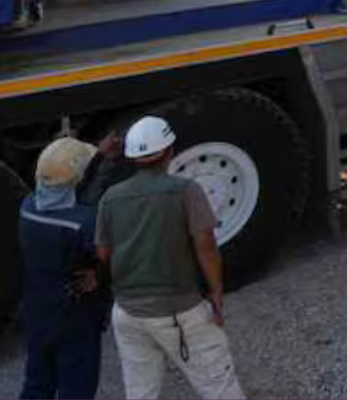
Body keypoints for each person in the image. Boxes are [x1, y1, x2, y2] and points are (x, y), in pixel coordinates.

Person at [94, 116, 244, 400]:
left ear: (132, 158)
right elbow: (206, 247)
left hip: (127, 312)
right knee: (219, 387)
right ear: (169, 151)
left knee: (141, 392)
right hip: (178, 309)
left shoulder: (111, 197)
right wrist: (216, 292)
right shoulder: (186, 190)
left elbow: (103, 253)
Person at [19, 137, 110, 400]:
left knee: (37, 383)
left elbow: (71, 185)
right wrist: (99, 275)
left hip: (37, 312)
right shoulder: (84, 222)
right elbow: (111, 256)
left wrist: (98, 159)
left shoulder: (27, 207)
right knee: (77, 388)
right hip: (75, 318)